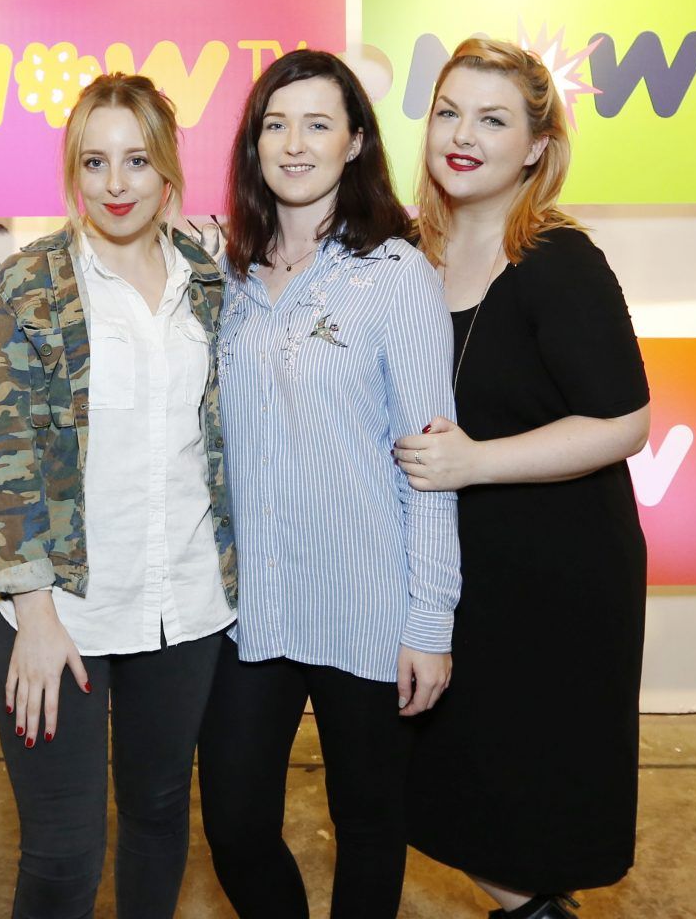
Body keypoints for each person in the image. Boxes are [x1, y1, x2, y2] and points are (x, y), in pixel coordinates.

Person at [0, 73, 237, 919]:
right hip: (60, 618)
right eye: (94, 161)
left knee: (158, 819)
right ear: (73, 173)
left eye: (137, 160)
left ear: (168, 171)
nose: (116, 185)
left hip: (182, 610)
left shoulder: (211, 285)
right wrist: (35, 616)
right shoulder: (30, 282)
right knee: (62, 853)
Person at [197, 49, 461, 919]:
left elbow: (432, 463)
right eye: (276, 123)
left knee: (370, 826)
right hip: (253, 610)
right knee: (233, 825)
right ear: (253, 144)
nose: (295, 143)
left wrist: (430, 620)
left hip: (367, 607)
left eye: (319, 123)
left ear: (355, 143)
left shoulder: (396, 278)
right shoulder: (224, 281)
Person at [393, 38, 650, 919]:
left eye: (493, 120)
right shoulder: (403, 250)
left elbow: (625, 422)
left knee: (527, 792)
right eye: (449, 112)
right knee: (451, 782)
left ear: (536, 146)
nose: (463, 135)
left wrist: (475, 463)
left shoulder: (557, 258)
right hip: (451, 573)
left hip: (559, 573)